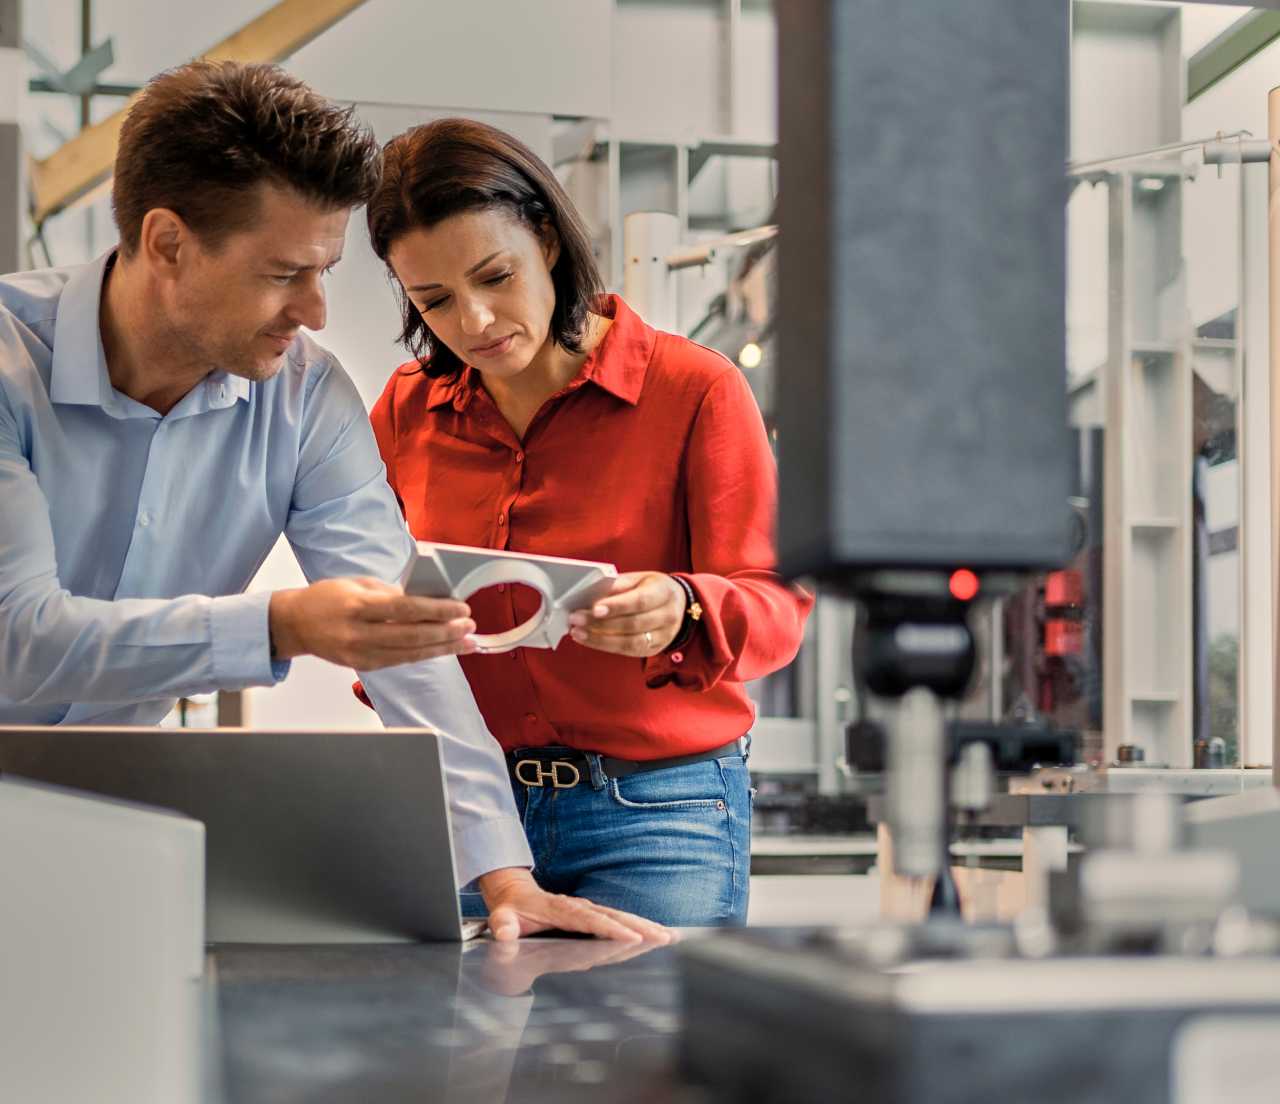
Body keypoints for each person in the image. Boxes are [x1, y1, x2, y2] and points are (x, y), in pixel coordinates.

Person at [0, 62, 669, 944]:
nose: (314, 311)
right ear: (167, 243)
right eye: (284, 272)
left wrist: (504, 878)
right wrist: (279, 626)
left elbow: (407, 640)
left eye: (326, 271)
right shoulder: (12, 366)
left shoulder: (305, 397)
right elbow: (18, 640)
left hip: (105, 817)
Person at [363, 118, 813, 925]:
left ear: (547, 237)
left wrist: (684, 606)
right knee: (448, 1047)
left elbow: (777, 605)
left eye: (495, 277)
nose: (472, 322)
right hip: (467, 808)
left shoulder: (694, 391)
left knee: (640, 1046)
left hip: (657, 812)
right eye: (433, 300)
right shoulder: (404, 411)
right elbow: (370, 602)